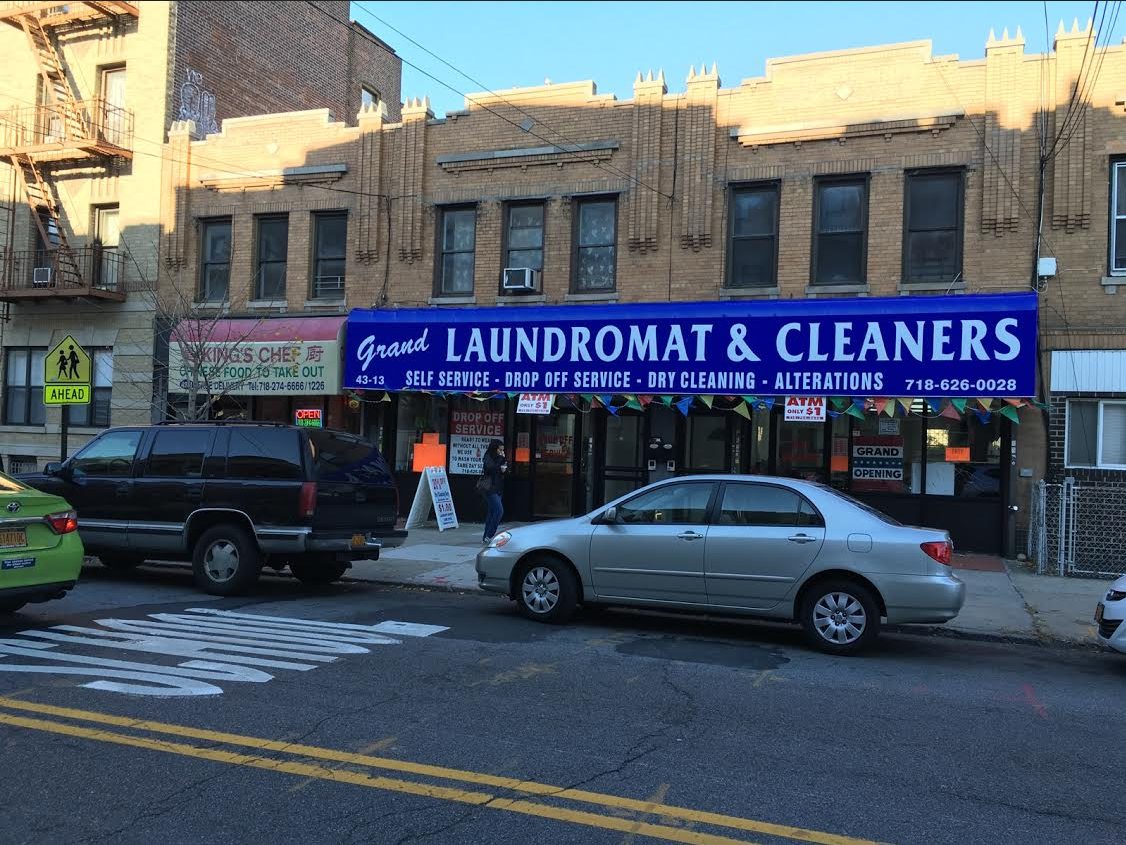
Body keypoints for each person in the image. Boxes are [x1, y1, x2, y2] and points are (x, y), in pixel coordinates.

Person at [479, 439, 507, 543]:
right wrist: (501, 459)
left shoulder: (500, 458)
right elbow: (491, 468)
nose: (501, 451)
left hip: (498, 487)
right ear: (494, 448)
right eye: (499, 450)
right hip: (489, 487)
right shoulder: (488, 457)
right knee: (499, 511)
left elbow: (500, 472)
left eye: (502, 450)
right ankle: (490, 535)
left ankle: (486, 536)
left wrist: (503, 468)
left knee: (492, 512)